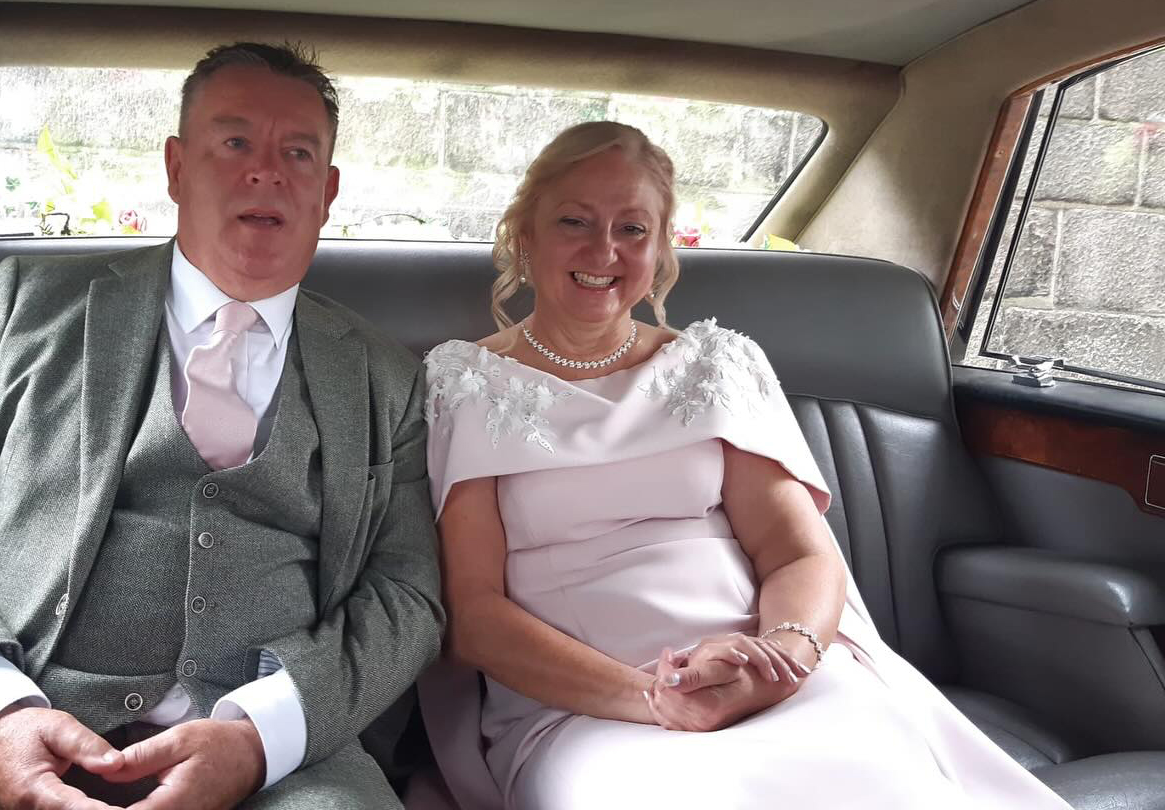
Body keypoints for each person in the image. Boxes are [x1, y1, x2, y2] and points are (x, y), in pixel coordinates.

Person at [0, 42, 442, 810]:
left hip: (283, 774)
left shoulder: (385, 378)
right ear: (175, 166)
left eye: (297, 152)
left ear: (327, 189)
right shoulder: (20, 307)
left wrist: (258, 735)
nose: (265, 171)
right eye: (234, 142)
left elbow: (407, 596)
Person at [417, 121, 1071, 809]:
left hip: (767, 674)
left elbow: (800, 556)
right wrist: (654, 698)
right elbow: (475, 612)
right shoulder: (463, 381)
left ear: (662, 245)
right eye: (574, 221)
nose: (603, 250)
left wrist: (781, 659)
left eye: (633, 229)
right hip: (583, 709)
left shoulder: (718, 365)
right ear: (526, 233)